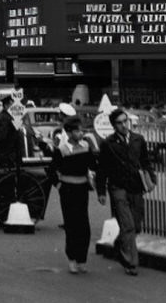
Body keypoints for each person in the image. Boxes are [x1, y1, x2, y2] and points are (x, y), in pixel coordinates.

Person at [95, 107, 154, 277]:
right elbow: (102, 170)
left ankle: (119, 244)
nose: (123, 125)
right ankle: (131, 263)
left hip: (136, 187)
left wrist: (151, 178)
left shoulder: (138, 140)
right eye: (119, 123)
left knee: (136, 226)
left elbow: (145, 161)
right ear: (114, 126)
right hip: (118, 188)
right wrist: (101, 191)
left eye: (125, 121)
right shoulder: (108, 144)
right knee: (127, 226)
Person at [50, 113, 98, 274]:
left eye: (82, 131)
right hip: (68, 190)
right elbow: (51, 171)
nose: (81, 134)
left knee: (84, 226)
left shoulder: (85, 147)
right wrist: (59, 185)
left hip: (82, 189)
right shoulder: (61, 150)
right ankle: (72, 259)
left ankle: (82, 259)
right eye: (78, 131)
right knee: (71, 225)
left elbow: (93, 165)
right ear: (69, 133)